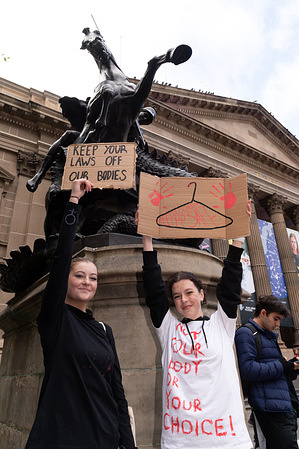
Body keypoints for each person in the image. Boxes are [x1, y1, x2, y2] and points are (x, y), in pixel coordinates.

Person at [25, 178, 137, 449]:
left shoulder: (103, 330)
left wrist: (128, 443)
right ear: (66, 280)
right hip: (63, 436)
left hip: (106, 436)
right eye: (80, 276)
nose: (87, 282)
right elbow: (62, 258)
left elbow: (117, 392)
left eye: (93, 278)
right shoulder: (55, 319)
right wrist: (74, 202)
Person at [137, 201, 253, 449]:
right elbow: (154, 291)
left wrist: (238, 238)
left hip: (227, 439)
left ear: (201, 294)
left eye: (189, 293)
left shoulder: (222, 324)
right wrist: (147, 238)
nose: (183, 300)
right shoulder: (168, 329)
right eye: (177, 296)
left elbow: (231, 285)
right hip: (181, 440)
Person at [235, 295, 299, 449]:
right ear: (263, 313)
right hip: (269, 408)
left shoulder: (267, 335)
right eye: (275, 319)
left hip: (284, 405)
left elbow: (276, 368)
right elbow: (248, 370)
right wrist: (282, 365)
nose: (277, 324)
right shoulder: (246, 333)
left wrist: (292, 366)